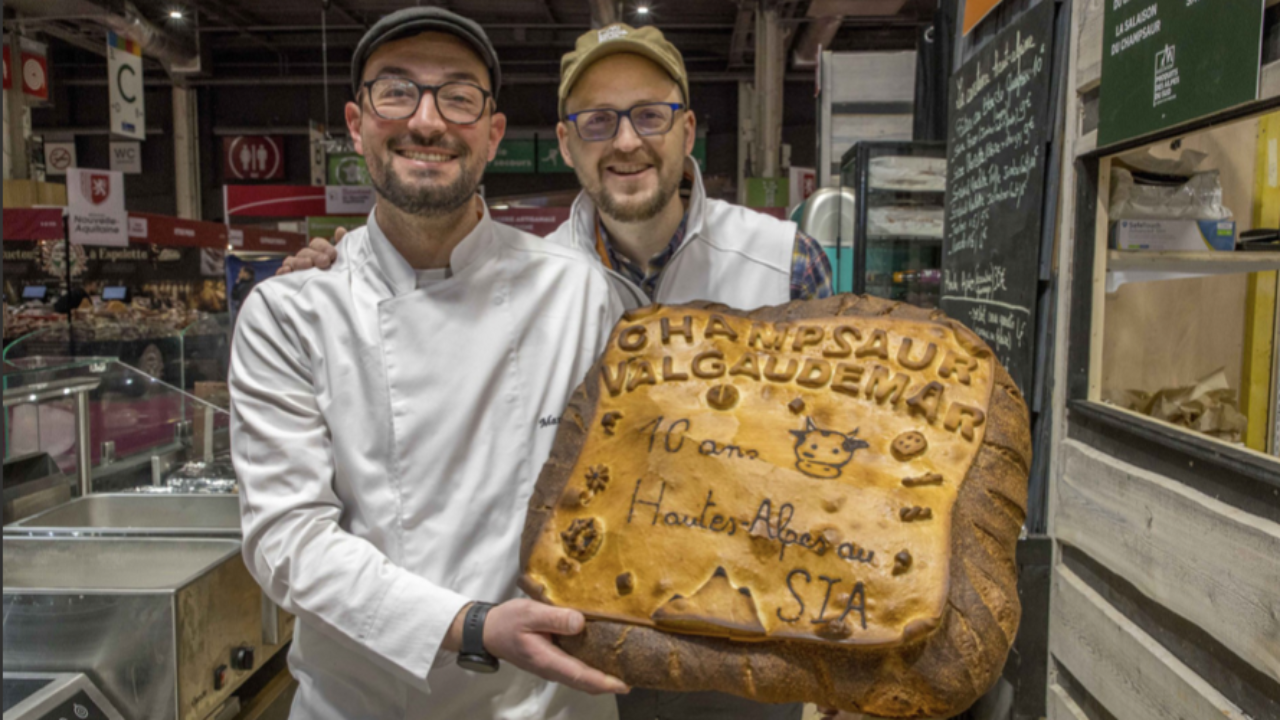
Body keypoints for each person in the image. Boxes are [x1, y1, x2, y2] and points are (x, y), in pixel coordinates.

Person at [280, 22, 830, 720]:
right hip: (586, 643)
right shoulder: (552, 275)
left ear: (687, 130)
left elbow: (834, 465)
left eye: (650, 115)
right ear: (566, 143)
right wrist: (340, 270)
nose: (625, 141)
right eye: (598, 121)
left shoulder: (785, 260)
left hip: (749, 641)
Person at [228, 9, 628, 719]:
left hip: (547, 703)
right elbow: (288, 542)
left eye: (458, 97)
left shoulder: (579, 293)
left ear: (493, 134)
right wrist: (472, 626)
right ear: (356, 125)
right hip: (362, 704)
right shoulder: (289, 313)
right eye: (397, 92)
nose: (427, 120)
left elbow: (626, 493)